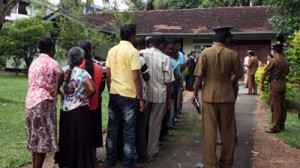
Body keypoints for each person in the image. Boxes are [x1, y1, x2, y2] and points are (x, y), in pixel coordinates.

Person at [192, 26, 243, 168]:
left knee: (209, 132)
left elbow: (199, 77)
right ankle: (226, 163)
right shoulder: (232, 54)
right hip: (227, 96)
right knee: (228, 132)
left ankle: (210, 164)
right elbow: (238, 74)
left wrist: (195, 93)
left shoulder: (205, 53)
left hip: (209, 96)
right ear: (226, 39)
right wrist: (228, 83)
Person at [104, 24, 144, 168]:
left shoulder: (112, 50)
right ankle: (128, 163)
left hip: (114, 93)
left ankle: (110, 160)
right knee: (128, 131)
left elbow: (108, 74)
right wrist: (141, 99)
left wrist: (111, 89)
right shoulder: (133, 52)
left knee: (112, 129)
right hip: (129, 95)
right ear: (132, 35)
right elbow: (137, 77)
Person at [25, 37, 64, 168]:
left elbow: (41, 82)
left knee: (35, 139)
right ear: (51, 49)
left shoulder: (34, 63)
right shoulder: (51, 62)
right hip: (43, 103)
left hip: (30, 102)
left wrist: (57, 91)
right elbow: (60, 73)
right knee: (42, 140)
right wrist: (57, 89)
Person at [55, 47, 96, 167]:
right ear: (82, 59)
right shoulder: (82, 73)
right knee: (79, 138)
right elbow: (92, 89)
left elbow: (55, 84)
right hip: (79, 110)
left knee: (67, 136)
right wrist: (83, 97)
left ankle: (65, 162)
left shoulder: (63, 71)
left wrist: (61, 93)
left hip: (65, 110)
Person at [141, 35, 174, 161]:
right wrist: (169, 98)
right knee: (155, 124)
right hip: (159, 95)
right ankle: (151, 152)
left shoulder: (141, 53)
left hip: (143, 94)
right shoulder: (165, 58)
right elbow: (168, 81)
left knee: (142, 124)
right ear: (161, 45)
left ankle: (140, 150)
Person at [78, 40, 103, 168]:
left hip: (79, 108)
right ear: (91, 51)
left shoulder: (76, 69)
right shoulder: (98, 68)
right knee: (93, 134)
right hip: (94, 106)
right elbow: (101, 87)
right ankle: (94, 161)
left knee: (81, 135)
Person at [261, 44, 290, 134]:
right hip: (282, 83)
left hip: (275, 83)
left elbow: (265, 71)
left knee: (275, 105)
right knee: (282, 105)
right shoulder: (285, 61)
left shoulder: (274, 60)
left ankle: (275, 127)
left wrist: (262, 83)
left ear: (275, 51)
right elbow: (286, 73)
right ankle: (281, 125)